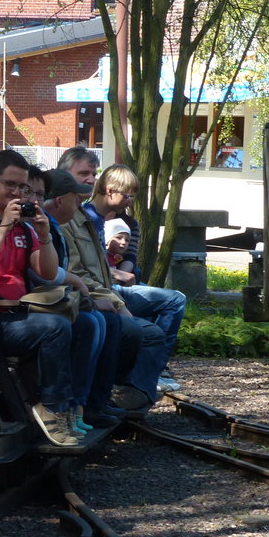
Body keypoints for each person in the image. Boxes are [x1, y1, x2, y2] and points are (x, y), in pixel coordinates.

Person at [0, 149, 87, 446]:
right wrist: (2, 228)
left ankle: (64, 405)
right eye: (9, 185)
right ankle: (51, 407)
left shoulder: (24, 227)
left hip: (15, 317)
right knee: (54, 328)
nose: (17, 193)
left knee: (83, 324)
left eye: (23, 188)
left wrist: (44, 234)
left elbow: (48, 272)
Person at [57, 147, 187, 397]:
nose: (91, 179)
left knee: (171, 303)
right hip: (89, 296)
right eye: (84, 173)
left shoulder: (105, 219)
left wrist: (121, 277)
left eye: (93, 174)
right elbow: (79, 272)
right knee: (142, 329)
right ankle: (124, 391)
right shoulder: (74, 218)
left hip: (105, 290)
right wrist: (118, 301)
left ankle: (139, 387)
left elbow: (126, 260)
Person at [34, 168, 125, 429]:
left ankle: (88, 404)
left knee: (103, 320)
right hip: (46, 301)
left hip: (66, 296)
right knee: (92, 322)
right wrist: (87, 294)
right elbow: (52, 274)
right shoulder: (47, 228)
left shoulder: (55, 228)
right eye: (77, 199)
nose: (80, 206)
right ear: (61, 200)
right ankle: (75, 406)